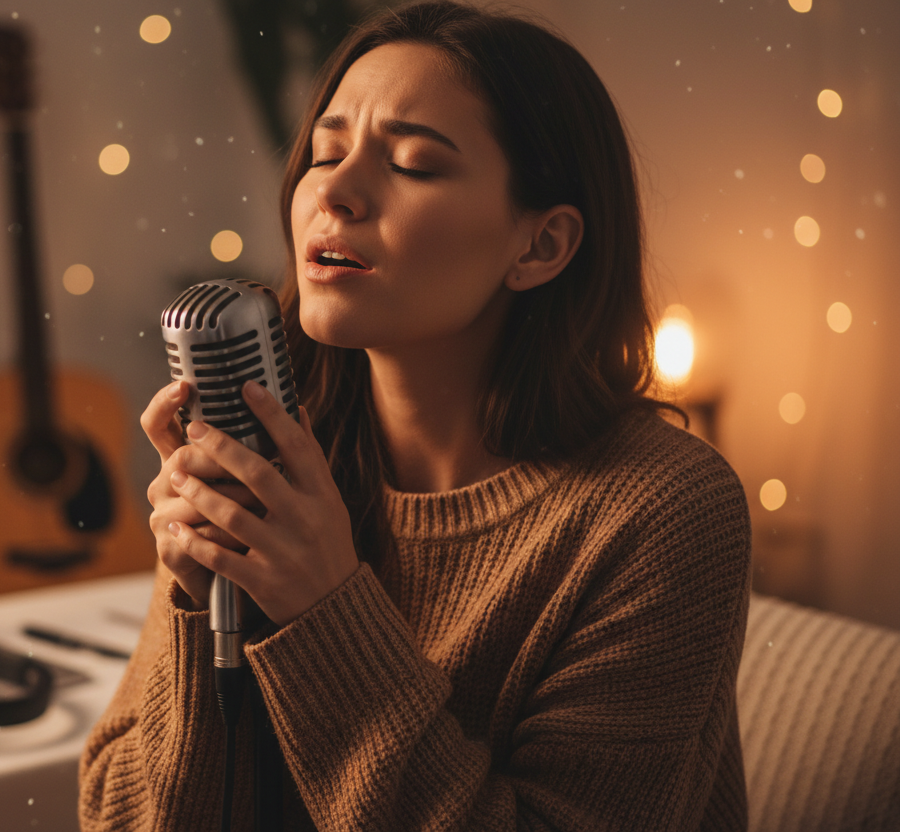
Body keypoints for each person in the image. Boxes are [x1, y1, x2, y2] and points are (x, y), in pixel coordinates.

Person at [80, 2, 752, 829]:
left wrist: (325, 614)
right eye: (326, 152)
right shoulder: (270, 459)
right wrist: (198, 609)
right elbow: (121, 817)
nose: (335, 189)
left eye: (413, 164)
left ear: (539, 246)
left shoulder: (661, 513)